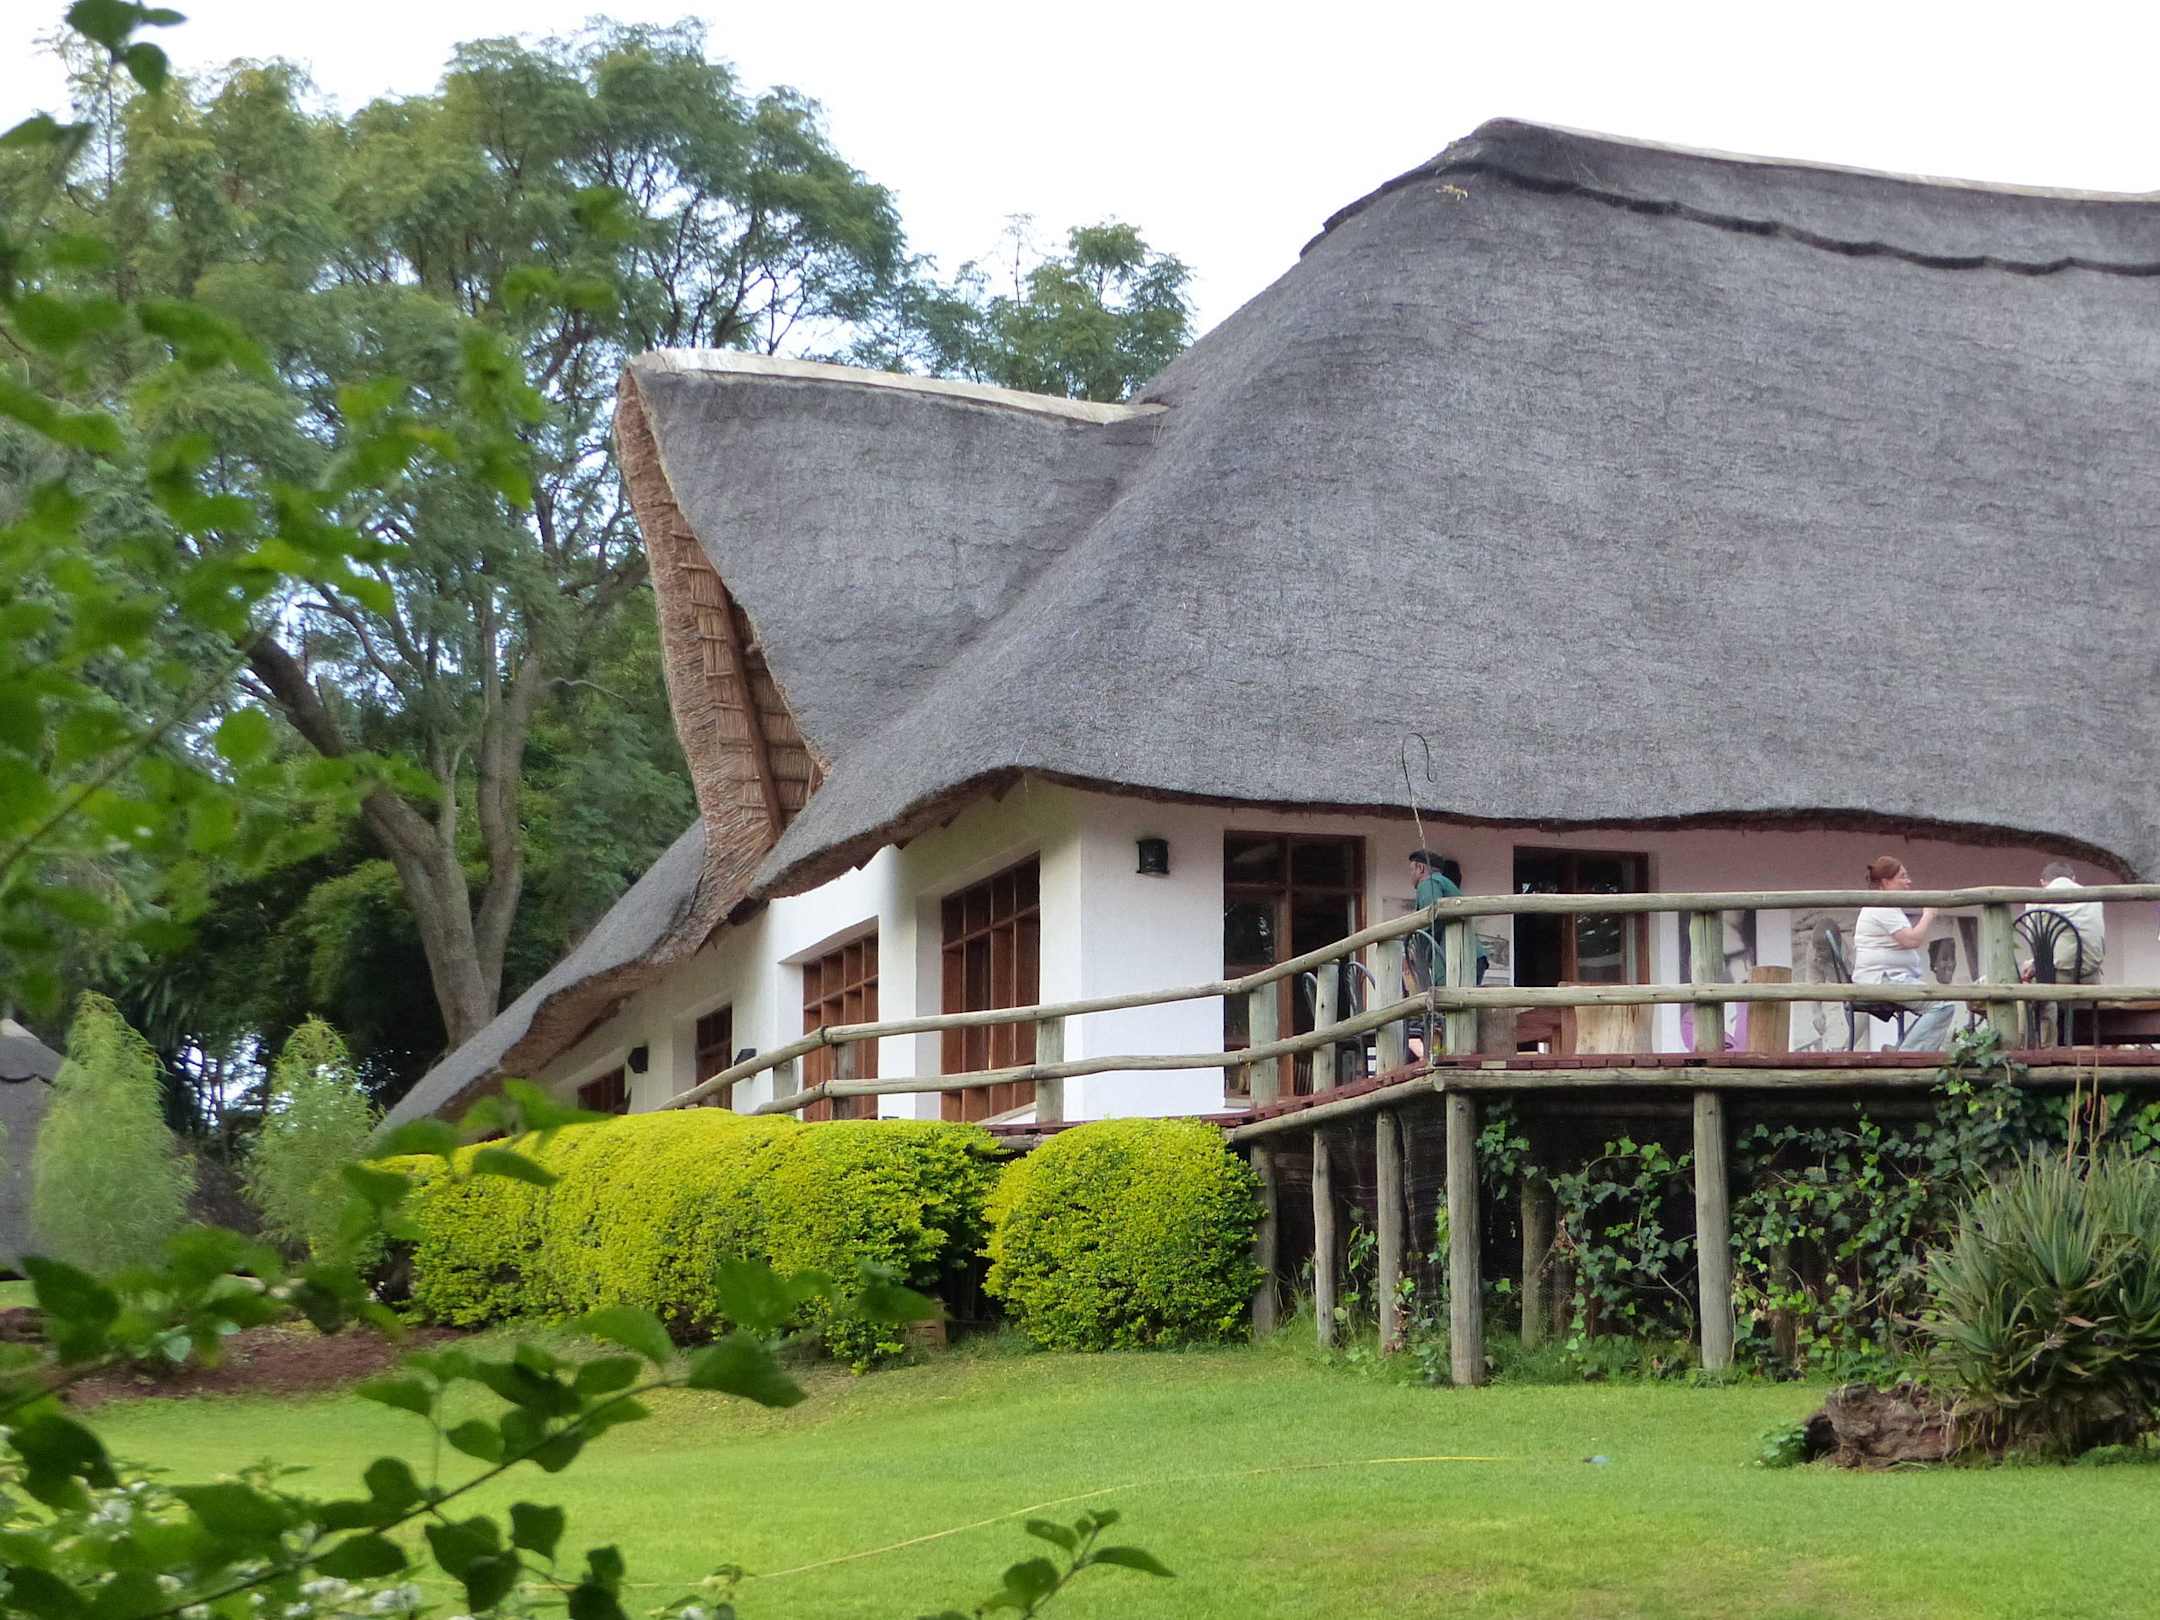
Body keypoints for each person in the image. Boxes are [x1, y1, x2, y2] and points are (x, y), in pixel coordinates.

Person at [1851, 856, 1956, 1051]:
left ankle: (1901, 1049)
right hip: (1882, 979)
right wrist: (1928, 915)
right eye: (1903, 876)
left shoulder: (1886, 906)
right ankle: (1907, 1054)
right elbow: (1911, 940)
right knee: (1942, 1004)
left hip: (1887, 978)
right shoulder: (1882, 906)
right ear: (1886, 882)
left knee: (1940, 1002)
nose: (1909, 881)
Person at [2019, 860, 2105, 982]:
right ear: (2073, 879)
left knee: (2030, 974)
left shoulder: (2035, 901)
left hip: (2056, 975)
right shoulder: (2094, 899)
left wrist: (2033, 963)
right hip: (2091, 974)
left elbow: (2035, 943)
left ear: (2042, 882)